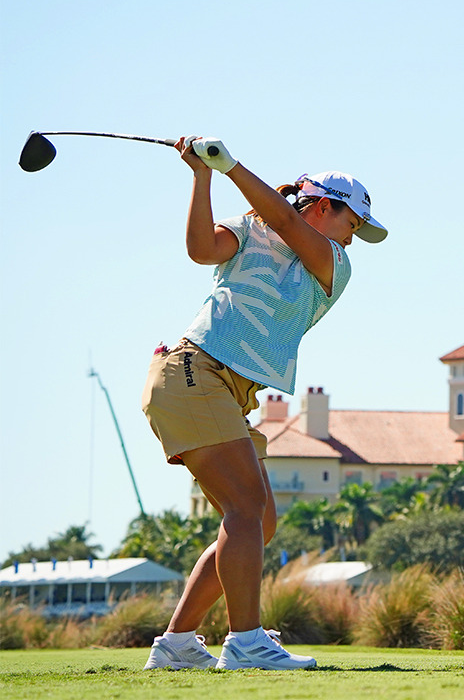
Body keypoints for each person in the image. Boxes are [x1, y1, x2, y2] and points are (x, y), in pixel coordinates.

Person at [139, 136, 386, 670]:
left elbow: (290, 224)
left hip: (222, 390)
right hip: (195, 372)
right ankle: (246, 641)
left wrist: (229, 166)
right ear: (325, 206)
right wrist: (204, 176)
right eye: (352, 223)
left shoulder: (334, 263)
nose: (353, 237)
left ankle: (177, 644)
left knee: (258, 518)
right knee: (246, 509)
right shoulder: (250, 228)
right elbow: (201, 250)